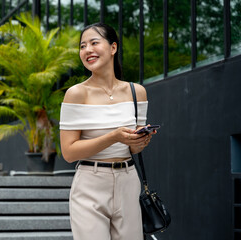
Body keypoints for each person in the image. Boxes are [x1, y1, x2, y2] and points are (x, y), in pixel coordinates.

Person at [59, 22, 157, 240]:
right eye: (83, 46)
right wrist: (113, 136)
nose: (87, 50)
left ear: (113, 48)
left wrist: (140, 141)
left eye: (94, 43)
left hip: (128, 180)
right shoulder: (76, 94)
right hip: (90, 184)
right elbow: (68, 152)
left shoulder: (136, 92)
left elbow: (133, 148)